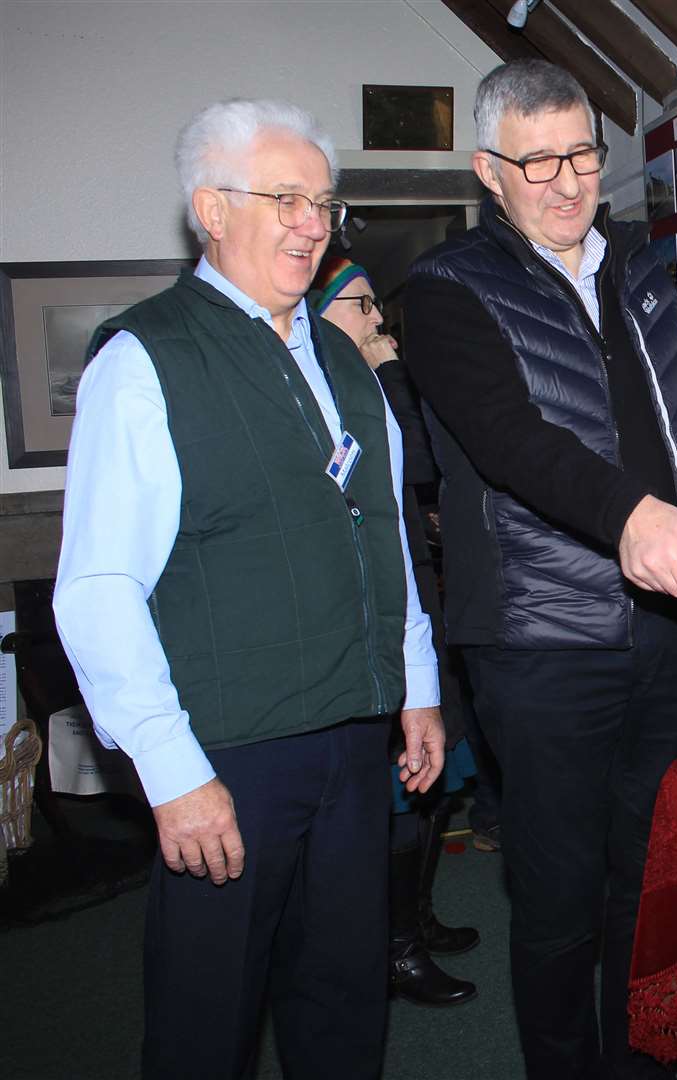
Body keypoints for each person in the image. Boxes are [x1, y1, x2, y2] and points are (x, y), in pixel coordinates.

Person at [53, 98, 444, 1079]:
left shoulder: (347, 364)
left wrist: (419, 685)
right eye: (286, 198)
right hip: (227, 757)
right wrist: (171, 770)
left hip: (353, 742)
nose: (313, 222)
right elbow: (97, 585)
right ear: (211, 209)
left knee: (344, 996)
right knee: (207, 1016)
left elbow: (383, 537)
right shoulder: (147, 359)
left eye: (323, 202)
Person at [401, 59, 677, 1078]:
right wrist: (628, 516)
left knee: (646, 883)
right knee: (559, 900)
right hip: (538, 636)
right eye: (538, 161)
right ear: (488, 169)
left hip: (664, 627)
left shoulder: (642, 272)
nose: (566, 183)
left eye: (583, 156)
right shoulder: (445, 290)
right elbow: (508, 439)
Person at [312, 256, 480, 1007]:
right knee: (398, 786)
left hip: (417, 606)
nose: (378, 322)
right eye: (360, 308)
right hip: (363, 623)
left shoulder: (364, 380)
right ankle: (394, 948)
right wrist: (387, 368)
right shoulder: (322, 394)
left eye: (379, 307)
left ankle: (413, 918)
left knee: (436, 778)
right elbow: (413, 455)